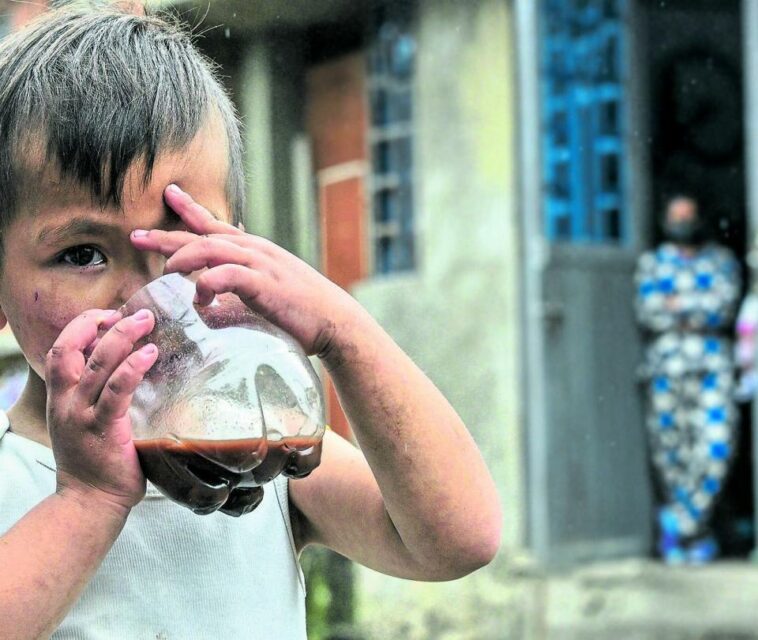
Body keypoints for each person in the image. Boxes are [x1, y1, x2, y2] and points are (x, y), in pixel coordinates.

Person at [0, 7, 502, 638]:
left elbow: (457, 541)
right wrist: (88, 499)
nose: (150, 298)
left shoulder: (252, 450)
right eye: (82, 254)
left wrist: (342, 333)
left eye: (183, 245)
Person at [635, 194, 741, 564]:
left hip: (713, 368)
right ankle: (693, 538)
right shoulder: (653, 262)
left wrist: (680, 306)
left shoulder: (720, 261)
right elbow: (650, 311)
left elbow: (723, 307)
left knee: (716, 448)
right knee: (671, 455)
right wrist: (696, 306)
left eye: (689, 216)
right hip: (666, 370)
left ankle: (678, 525)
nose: (682, 222)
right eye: (675, 216)